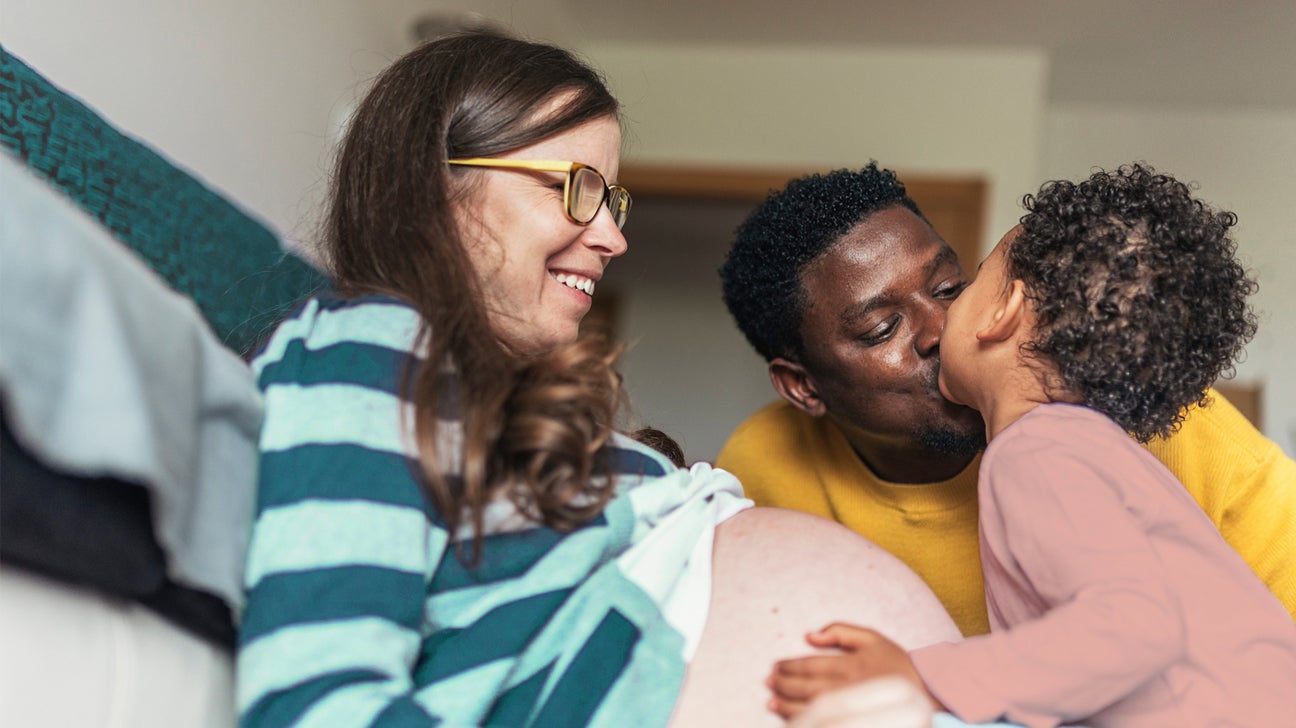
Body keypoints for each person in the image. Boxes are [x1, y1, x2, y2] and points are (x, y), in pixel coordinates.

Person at [235, 31, 961, 728]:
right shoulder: (364, 349)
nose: (613, 237)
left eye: (611, 200)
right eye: (576, 189)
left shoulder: (488, 400)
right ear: (434, 188)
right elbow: (316, 702)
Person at [766, 165, 1296, 726]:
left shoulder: (1036, 452)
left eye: (957, 289)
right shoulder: (1092, 447)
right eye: (881, 328)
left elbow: (1132, 626)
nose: (937, 326)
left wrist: (918, 675)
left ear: (1004, 311)